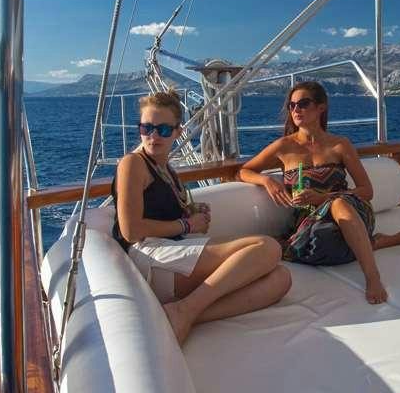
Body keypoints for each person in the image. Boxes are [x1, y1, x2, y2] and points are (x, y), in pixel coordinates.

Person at [113, 90, 290, 345]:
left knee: (281, 279)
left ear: (177, 131)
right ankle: (186, 310)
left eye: (163, 130)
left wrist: (188, 212)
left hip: (169, 255)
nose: (152, 136)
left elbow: (159, 212)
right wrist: (187, 224)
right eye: (146, 127)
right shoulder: (133, 163)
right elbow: (130, 230)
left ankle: (187, 312)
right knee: (268, 248)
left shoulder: (165, 168)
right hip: (150, 258)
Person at [239, 81, 400, 304]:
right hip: (311, 220)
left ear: (321, 108)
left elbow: (366, 191)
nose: (296, 110)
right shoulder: (283, 146)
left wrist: (325, 198)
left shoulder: (340, 145)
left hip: (352, 208)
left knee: (338, 204)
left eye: (303, 103)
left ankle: (372, 276)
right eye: (291, 106)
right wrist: (266, 181)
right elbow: (244, 171)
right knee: (320, 242)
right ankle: (375, 242)